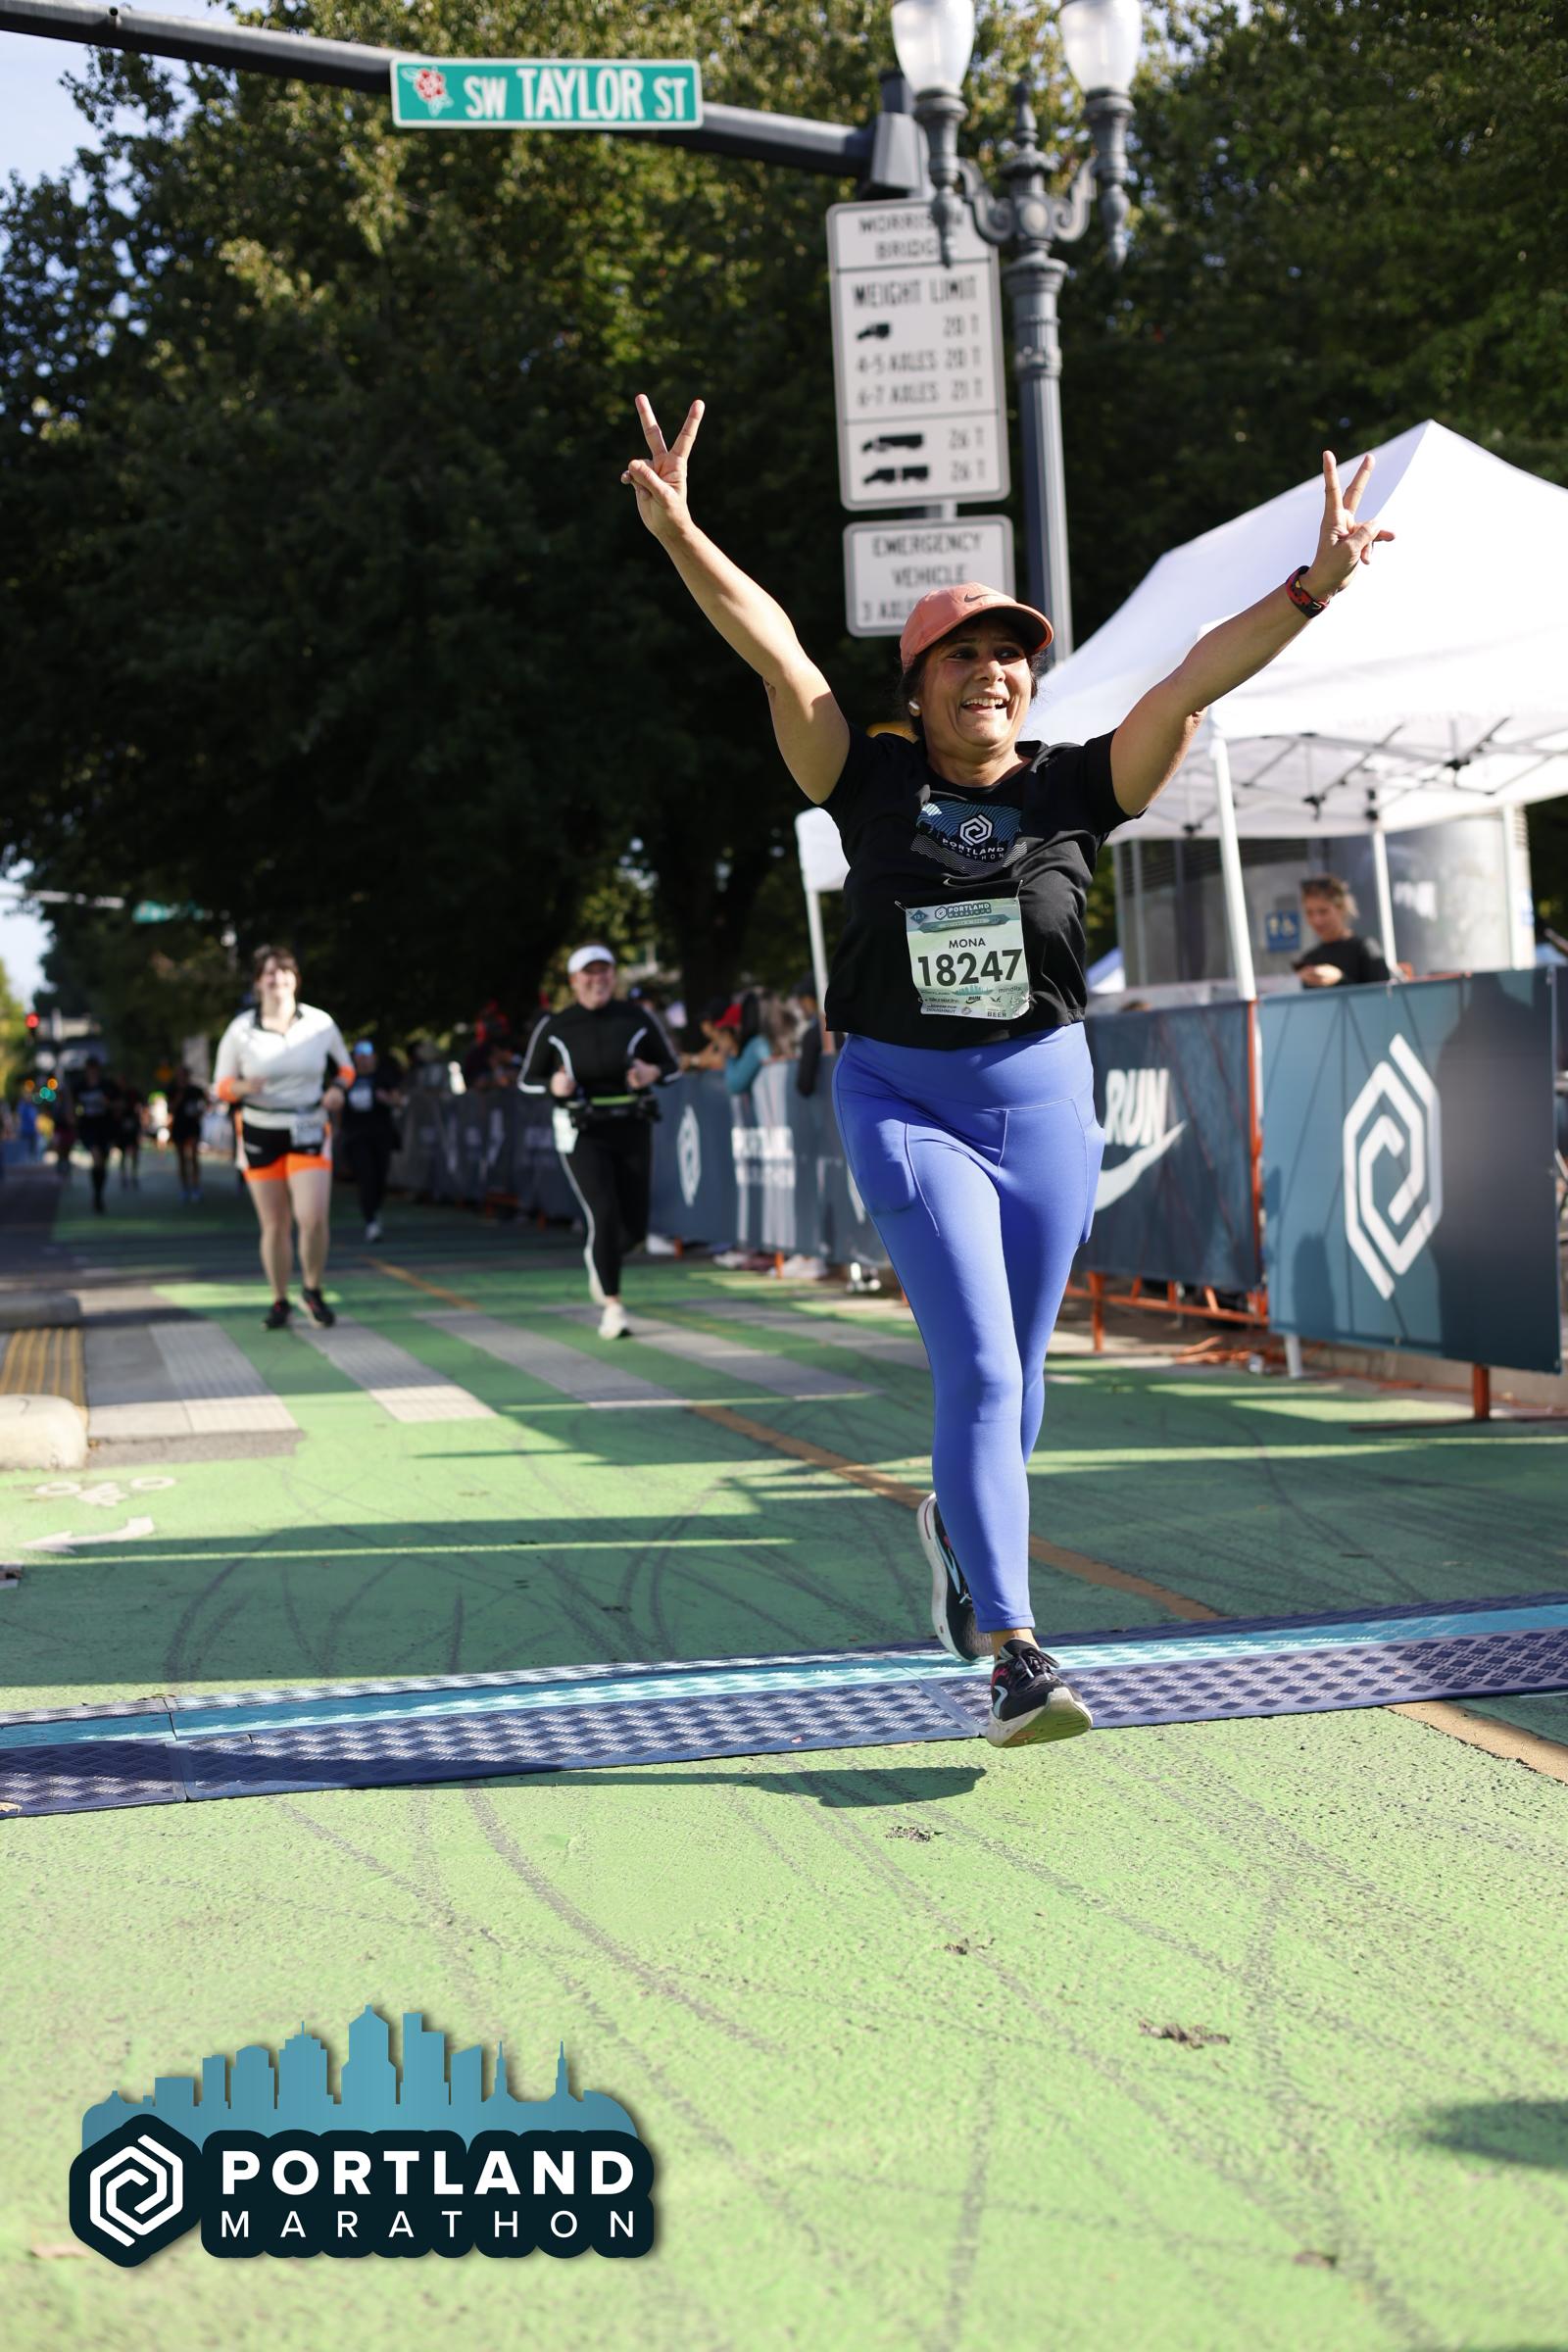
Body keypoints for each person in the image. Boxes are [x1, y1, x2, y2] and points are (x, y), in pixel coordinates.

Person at [623, 391, 1394, 1748]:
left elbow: (1191, 681)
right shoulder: (863, 779)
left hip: (1041, 1098)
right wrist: (683, 532)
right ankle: (1015, 1653)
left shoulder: (1072, 790)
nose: (991, 673)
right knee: (979, 1368)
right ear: (916, 686)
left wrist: (1311, 588)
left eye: (1010, 658)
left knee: (1024, 1380)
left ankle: (955, 1531)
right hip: (902, 1099)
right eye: (963, 656)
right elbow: (777, 651)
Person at [519, 944, 681, 1337]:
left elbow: (671, 1066)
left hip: (632, 1124)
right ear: (574, 981)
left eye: (604, 971)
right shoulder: (557, 1025)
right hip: (583, 1129)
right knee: (604, 1213)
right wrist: (554, 1085)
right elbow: (527, 1079)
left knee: (634, 1228)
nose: (598, 980)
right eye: (589, 973)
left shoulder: (635, 1017)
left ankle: (601, 1258)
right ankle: (613, 1305)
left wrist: (650, 1073)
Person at [214, 947, 355, 1329]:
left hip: (308, 1124)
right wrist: (243, 1086)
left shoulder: (320, 1023)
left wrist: (337, 1090)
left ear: (296, 979)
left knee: (312, 1216)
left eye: (285, 971)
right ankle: (279, 1300)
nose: (278, 979)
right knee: (274, 1223)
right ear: (258, 982)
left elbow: (346, 1069)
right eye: (270, 973)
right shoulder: (241, 1029)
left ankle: (312, 1289)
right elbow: (221, 1085)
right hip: (260, 1129)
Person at [340, 1040, 404, 1242]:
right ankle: (371, 1221)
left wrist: (387, 1099)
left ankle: (375, 1210)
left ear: (374, 1057)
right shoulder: (348, 1078)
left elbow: (398, 1100)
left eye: (367, 1056)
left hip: (381, 1135)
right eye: (360, 1056)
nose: (364, 1060)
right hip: (356, 1137)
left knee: (380, 1178)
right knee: (365, 1177)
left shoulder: (383, 1076)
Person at [1294, 874, 1394, 988]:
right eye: (1309, 913)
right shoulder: (1310, 959)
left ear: (1341, 908)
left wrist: (1339, 979)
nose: (1317, 920)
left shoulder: (1365, 949)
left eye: (1323, 911)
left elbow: (1383, 995)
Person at [68, 1054, 121, 1214]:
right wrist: (72, 1117)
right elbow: (71, 1105)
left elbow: (119, 1104)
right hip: (89, 1127)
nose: (92, 1071)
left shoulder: (107, 1085)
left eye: (94, 1068)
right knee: (96, 1157)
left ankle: (99, 1192)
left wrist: (109, 1104)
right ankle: (97, 1196)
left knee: (102, 1162)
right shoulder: (80, 1086)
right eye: (90, 1068)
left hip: (105, 1127)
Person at [169, 1069, 208, 1201]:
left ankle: (196, 1187)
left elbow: (205, 1103)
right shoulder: (172, 1089)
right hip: (179, 1127)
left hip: (192, 1126)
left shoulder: (195, 1090)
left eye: (184, 1076)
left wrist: (200, 1113)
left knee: (194, 1156)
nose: (182, 1078)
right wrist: (178, 1098)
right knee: (181, 1158)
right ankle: (184, 1188)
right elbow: (171, 1109)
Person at [117, 1084, 144, 1190]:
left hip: (133, 1127)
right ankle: (124, 1176)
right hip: (122, 1129)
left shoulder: (134, 1094)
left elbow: (141, 1106)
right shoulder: (118, 1094)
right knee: (123, 1153)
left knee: (134, 1153)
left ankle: (133, 1175)